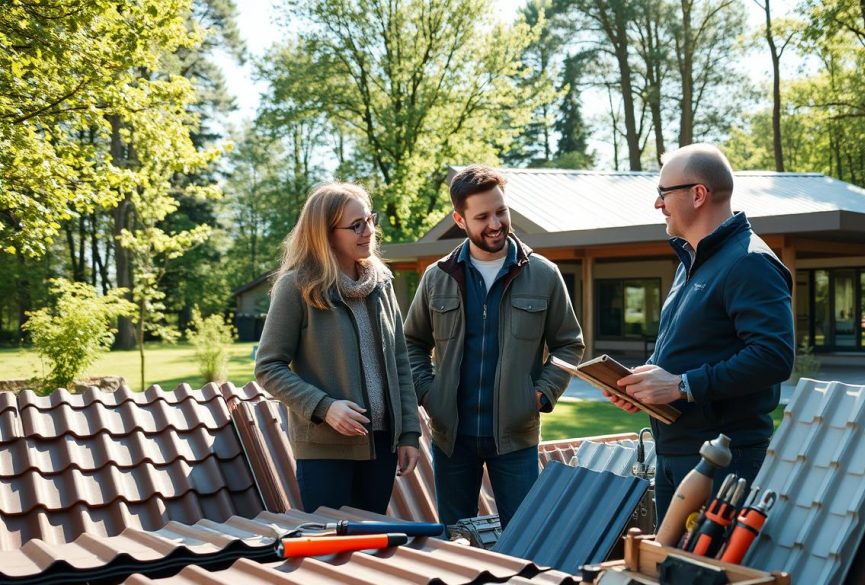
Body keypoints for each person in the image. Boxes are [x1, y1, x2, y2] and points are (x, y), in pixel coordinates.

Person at [606, 144, 795, 524]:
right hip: (677, 452)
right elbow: (690, 351)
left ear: (698, 194)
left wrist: (681, 386)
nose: (657, 204)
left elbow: (774, 356)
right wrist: (643, 385)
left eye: (663, 193)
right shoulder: (691, 262)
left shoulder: (749, 262)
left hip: (723, 461)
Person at [404, 164, 585, 528]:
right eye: (482, 216)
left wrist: (539, 395)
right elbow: (411, 343)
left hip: (515, 438)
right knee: (456, 539)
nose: (496, 223)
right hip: (451, 438)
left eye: (500, 211)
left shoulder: (544, 274)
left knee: (523, 537)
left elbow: (569, 344)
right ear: (460, 219)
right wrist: (428, 393)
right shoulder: (437, 277)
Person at [255, 182, 420, 514]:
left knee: (372, 546)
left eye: (370, 220)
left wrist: (409, 434)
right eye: (355, 225)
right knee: (332, 553)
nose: (368, 231)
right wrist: (324, 407)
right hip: (325, 451)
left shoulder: (382, 283)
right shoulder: (297, 287)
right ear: (325, 234)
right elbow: (268, 367)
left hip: (382, 447)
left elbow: (400, 362)